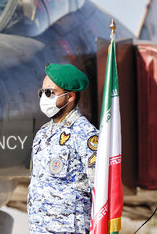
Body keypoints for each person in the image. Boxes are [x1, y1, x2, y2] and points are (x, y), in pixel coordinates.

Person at [27, 63, 98, 234]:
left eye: (50, 93)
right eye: (42, 92)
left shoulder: (86, 134)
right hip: (39, 228)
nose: (44, 97)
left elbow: (101, 187)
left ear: (70, 96)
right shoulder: (43, 133)